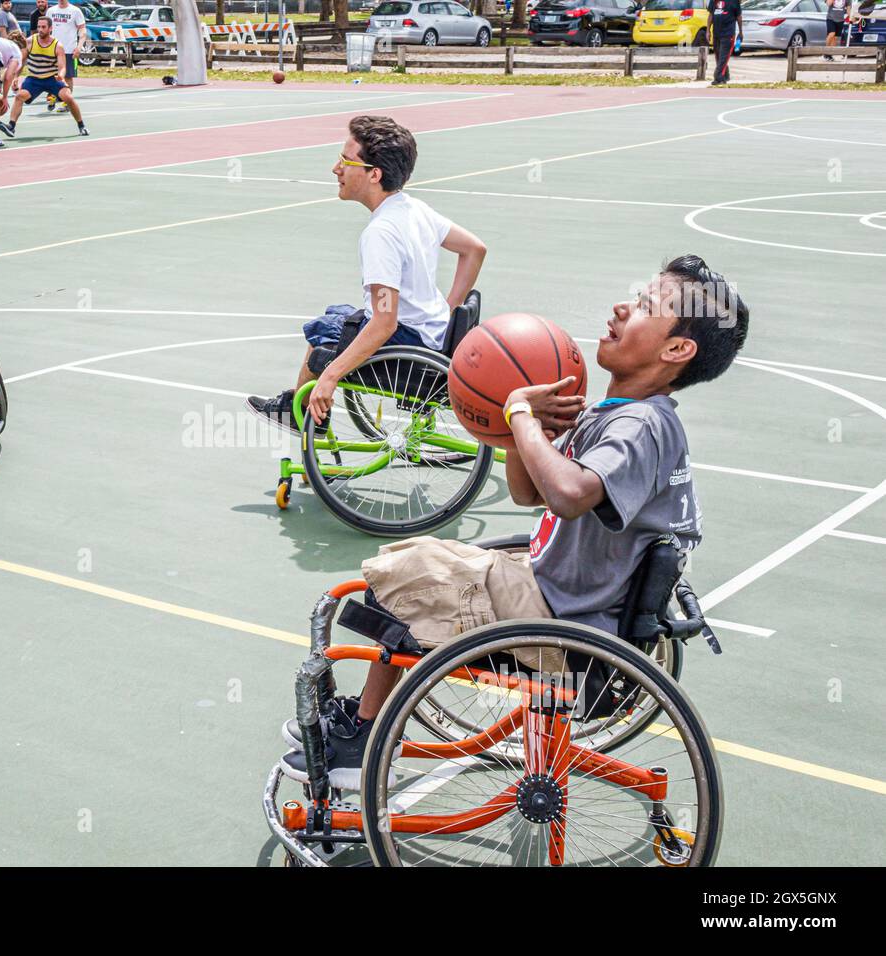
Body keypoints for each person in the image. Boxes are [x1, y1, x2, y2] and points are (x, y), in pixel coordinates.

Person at [280, 254, 750, 789]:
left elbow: (570, 494)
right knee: (408, 558)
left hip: (563, 620)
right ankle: (367, 721)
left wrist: (520, 413)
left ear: (676, 349)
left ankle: (362, 744)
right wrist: (519, 433)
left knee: (401, 576)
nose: (623, 306)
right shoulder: (616, 413)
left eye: (645, 305)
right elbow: (530, 492)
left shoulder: (641, 424)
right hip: (563, 596)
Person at [246, 116, 486, 432]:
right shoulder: (414, 209)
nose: (336, 169)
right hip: (431, 335)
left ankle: (301, 411)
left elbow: (384, 322)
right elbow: (474, 250)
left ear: (374, 174)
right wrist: (448, 313)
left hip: (406, 346)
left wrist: (330, 376)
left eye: (346, 161)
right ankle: (300, 408)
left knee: (323, 331)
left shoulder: (381, 233)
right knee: (337, 316)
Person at [0, 15, 88, 137]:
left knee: (68, 98)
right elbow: (22, 61)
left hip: (52, 78)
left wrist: (61, 76)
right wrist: (16, 77)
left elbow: (62, 67)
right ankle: (11, 127)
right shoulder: (30, 41)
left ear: (50, 28)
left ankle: (81, 126)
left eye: (43, 27)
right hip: (34, 79)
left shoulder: (57, 46)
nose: (40, 29)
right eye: (39, 26)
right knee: (19, 96)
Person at [46, 0, 86, 112]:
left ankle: (66, 103)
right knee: (50, 75)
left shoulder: (75, 11)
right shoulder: (51, 11)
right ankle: (52, 97)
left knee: (67, 77)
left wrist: (79, 47)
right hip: (53, 49)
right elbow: (45, 29)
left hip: (69, 50)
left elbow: (82, 31)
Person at [709, 0, 742, 85]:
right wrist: (707, 31)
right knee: (718, 56)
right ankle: (725, 76)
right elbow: (711, 15)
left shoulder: (734, 1)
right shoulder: (713, 1)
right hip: (716, 33)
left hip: (728, 34)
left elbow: (739, 16)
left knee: (724, 57)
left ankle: (718, 78)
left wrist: (741, 32)